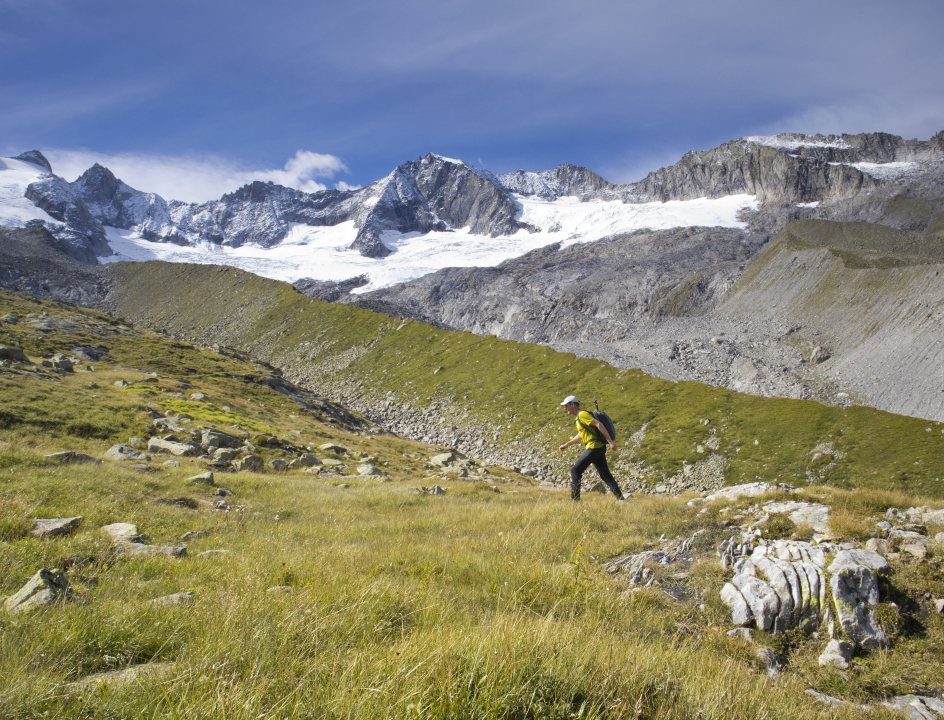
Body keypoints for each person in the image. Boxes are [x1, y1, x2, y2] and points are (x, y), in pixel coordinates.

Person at [558, 395, 624, 502]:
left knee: (575, 471)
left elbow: (599, 424)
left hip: (594, 447)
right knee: (605, 474)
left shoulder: (582, 414)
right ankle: (621, 499)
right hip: (599, 448)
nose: (565, 408)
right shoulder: (579, 418)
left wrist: (611, 442)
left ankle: (575, 501)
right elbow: (581, 435)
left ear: (572, 404)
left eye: (566, 406)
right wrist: (566, 445)